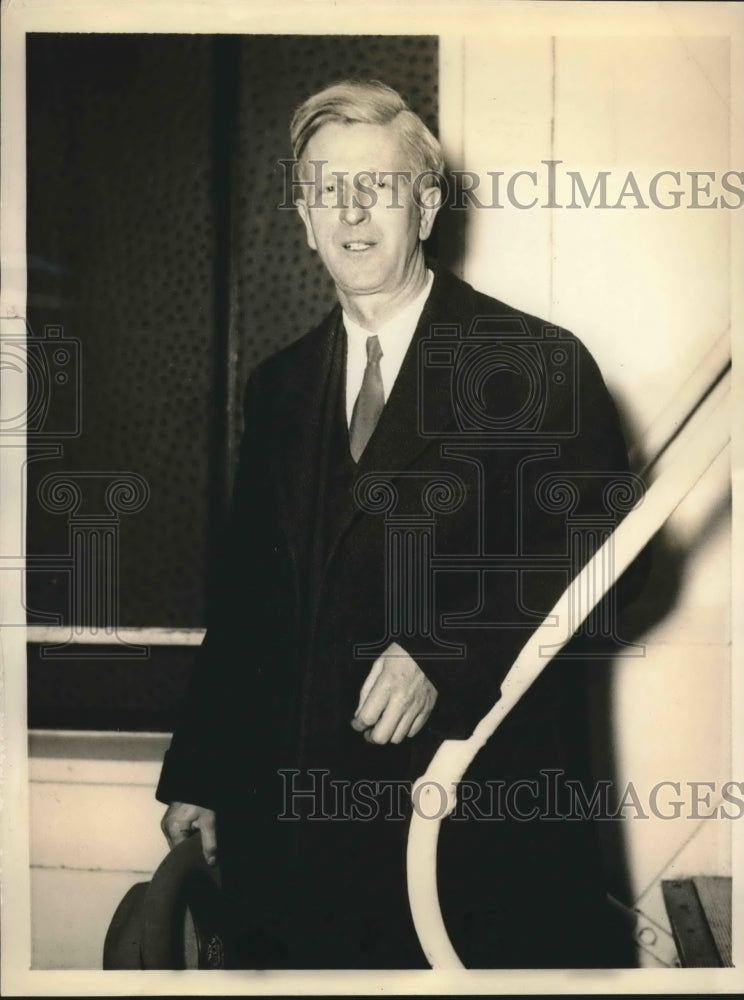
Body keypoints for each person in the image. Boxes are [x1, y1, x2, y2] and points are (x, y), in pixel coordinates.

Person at [157, 79, 642, 970]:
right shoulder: (279, 387)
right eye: (322, 187)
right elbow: (250, 603)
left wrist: (441, 649)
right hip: (298, 852)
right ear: (302, 216)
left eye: (373, 184)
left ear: (423, 202)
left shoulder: (535, 362)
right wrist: (203, 771)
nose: (348, 210)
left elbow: (609, 559)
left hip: (468, 844)